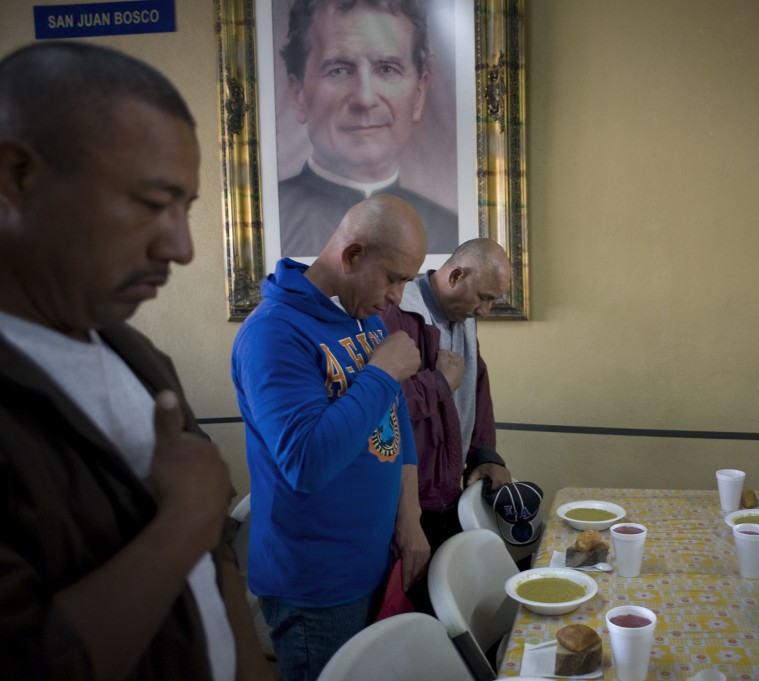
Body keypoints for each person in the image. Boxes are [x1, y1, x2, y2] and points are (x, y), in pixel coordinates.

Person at [0, 42, 272, 681]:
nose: (180, 247)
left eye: (187, 209)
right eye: (153, 204)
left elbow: (216, 561)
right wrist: (183, 520)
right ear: (16, 176)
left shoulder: (136, 354)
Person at [231, 194, 432, 681]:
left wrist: (410, 517)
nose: (397, 298)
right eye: (393, 278)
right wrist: (383, 373)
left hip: (374, 561)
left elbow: (395, 418)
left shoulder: (359, 315)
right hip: (315, 585)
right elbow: (306, 461)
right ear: (352, 255)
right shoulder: (272, 333)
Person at [277, 0, 459, 257]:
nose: (364, 98)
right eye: (339, 70)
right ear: (298, 95)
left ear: (419, 93)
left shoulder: (451, 233)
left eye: (386, 69)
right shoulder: (269, 222)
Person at [381, 238, 514, 559]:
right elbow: (383, 408)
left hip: (447, 492)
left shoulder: (465, 318)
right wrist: (439, 383)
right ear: (455, 276)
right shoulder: (395, 313)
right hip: (406, 502)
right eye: (483, 298)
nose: (485, 310)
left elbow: (476, 388)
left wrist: (484, 455)